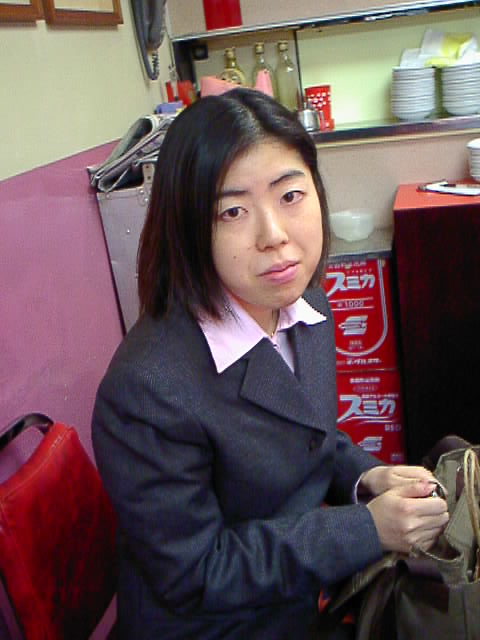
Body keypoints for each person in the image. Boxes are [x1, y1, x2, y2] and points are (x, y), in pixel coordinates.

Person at [92, 88, 449, 640]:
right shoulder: (146, 390)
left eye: (290, 195)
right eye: (233, 211)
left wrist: (365, 478)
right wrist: (364, 530)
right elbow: (197, 572)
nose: (275, 235)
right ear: (188, 228)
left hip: (300, 600)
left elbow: (307, 435)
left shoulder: (305, 306)